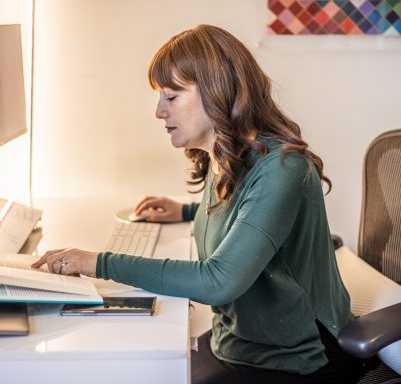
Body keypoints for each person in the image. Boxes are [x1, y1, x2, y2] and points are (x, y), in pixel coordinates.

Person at [32, 25, 373, 384]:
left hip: (293, 360)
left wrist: (97, 261)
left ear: (217, 93)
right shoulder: (227, 157)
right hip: (238, 343)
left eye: (171, 97)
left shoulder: (282, 169)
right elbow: (246, 215)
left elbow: (218, 281)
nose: (158, 112)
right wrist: (185, 211)